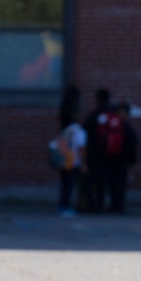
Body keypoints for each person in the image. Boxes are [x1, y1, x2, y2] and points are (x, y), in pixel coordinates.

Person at [96, 101, 138, 213]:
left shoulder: (108, 124)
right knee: (119, 183)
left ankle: (105, 204)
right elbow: (132, 142)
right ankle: (117, 205)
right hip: (121, 159)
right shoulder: (125, 126)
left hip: (108, 158)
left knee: (108, 182)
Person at [56, 85, 86, 217]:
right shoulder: (76, 129)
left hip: (65, 156)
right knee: (70, 183)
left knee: (65, 182)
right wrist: (84, 161)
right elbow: (81, 146)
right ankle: (65, 206)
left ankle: (63, 205)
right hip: (73, 159)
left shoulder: (65, 125)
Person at [81, 88, 113, 212]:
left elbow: (84, 132)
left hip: (92, 153)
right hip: (107, 153)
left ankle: (90, 204)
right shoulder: (111, 116)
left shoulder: (92, 116)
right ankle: (100, 204)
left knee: (90, 180)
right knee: (102, 181)